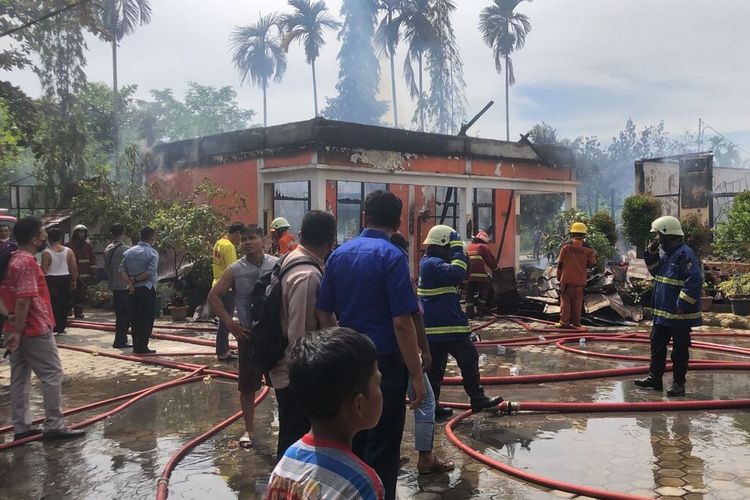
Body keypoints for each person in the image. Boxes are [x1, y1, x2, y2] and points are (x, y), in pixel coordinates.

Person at [317, 190, 425, 500]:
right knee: (383, 446)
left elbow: (324, 310)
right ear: (399, 221)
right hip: (385, 366)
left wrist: (339, 344)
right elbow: (402, 322)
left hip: (348, 362)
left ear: (365, 218)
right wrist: (416, 377)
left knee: (352, 442)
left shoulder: (338, 255)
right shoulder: (392, 257)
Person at [266, 328, 385, 500]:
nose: (381, 393)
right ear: (359, 405)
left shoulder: (288, 461)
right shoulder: (360, 484)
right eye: (378, 384)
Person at [0, 217, 85, 441]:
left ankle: (21, 428)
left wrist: (12, 325)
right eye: (41, 233)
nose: (44, 236)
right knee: (51, 374)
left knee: (19, 377)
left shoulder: (9, 260)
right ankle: (54, 425)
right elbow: (23, 300)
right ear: (34, 238)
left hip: (14, 327)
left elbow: (8, 298)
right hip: (33, 328)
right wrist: (19, 331)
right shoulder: (26, 262)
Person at [269, 210, 336, 461]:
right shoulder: (308, 276)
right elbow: (299, 336)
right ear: (330, 240)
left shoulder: (291, 258)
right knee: (294, 440)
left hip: (288, 366)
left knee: (292, 436)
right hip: (295, 372)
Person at [418, 224, 503, 419]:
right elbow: (457, 273)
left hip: (445, 326)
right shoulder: (431, 263)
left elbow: (462, 275)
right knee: (453, 363)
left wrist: (461, 254)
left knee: (450, 365)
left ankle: (454, 402)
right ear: (442, 245)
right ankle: (471, 399)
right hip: (443, 328)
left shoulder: (433, 262)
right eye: (451, 247)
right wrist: (457, 248)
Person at [208, 225, 278, 449]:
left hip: (275, 333)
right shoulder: (235, 269)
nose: (247, 242)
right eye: (244, 239)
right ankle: (249, 430)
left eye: (252, 238)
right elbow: (214, 297)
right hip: (249, 334)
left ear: (264, 240)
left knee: (284, 381)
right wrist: (231, 324)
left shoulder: (277, 265)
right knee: (248, 386)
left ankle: (289, 428)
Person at [389, 232, 454, 475]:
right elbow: (411, 317)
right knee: (424, 398)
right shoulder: (396, 268)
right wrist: (423, 351)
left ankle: (387, 455)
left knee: (383, 402)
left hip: (365, 349)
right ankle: (425, 459)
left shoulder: (352, 263)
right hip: (398, 347)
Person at [635, 216, 702, 397]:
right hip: (662, 314)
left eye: (658, 235)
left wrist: (683, 304)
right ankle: (654, 378)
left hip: (679, 315)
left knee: (679, 351)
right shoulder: (666, 253)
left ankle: (678, 385)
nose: (656, 238)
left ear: (667, 234)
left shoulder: (685, 254)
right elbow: (656, 272)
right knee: (656, 347)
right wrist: (651, 254)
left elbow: (694, 281)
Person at [119, 227, 159, 354]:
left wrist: (130, 282)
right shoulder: (152, 253)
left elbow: (122, 269)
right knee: (146, 319)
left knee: (134, 318)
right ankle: (142, 347)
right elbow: (150, 272)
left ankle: (136, 346)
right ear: (152, 238)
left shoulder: (129, 252)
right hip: (146, 289)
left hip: (132, 290)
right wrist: (136, 280)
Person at [212, 222, 245, 361]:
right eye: (242, 237)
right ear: (237, 234)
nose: (241, 241)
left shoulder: (219, 243)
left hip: (217, 284)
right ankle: (222, 352)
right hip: (227, 287)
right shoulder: (229, 246)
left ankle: (223, 348)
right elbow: (233, 270)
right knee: (226, 321)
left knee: (223, 320)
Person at [555, 222, 597, 329]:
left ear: (572, 233)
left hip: (567, 280)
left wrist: (559, 276)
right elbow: (591, 264)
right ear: (584, 235)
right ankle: (576, 323)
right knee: (577, 302)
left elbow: (560, 263)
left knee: (566, 301)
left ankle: (564, 322)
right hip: (580, 281)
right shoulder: (588, 249)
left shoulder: (566, 247)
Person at [41, 227, 77, 336]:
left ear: (48, 238)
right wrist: (74, 279)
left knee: (52, 303)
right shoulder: (68, 251)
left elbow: (44, 270)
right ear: (61, 238)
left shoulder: (46, 253)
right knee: (64, 303)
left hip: (50, 279)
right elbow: (73, 267)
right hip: (65, 277)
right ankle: (61, 327)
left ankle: (53, 325)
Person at [104, 223, 132, 348]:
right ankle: (120, 340)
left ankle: (121, 338)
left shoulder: (107, 249)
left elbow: (106, 268)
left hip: (114, 284)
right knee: (125, 315)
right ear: (124, 233)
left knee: (120, 314)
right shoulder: (126, 250)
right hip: (124, 285)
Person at [66, 224, 96, 319]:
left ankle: (79, 312)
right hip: (71, 276)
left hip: (84, 276)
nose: (82, 234)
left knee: (81, 295)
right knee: (70, 294)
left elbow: (92, 260)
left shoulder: (88, 246)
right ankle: (68, 310)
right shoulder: (68, 246)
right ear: (75, 233)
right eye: (80, 232)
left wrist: (93, 273)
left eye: (83, 232)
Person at [466, 230, 497, 318]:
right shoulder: (483, 247)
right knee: (484, 290)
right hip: (480, 276)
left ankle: (469, 313)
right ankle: (480, 311)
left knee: (470, 293)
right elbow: (490, 261)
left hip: (468, 276)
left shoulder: (469, 246)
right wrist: (497, 269)